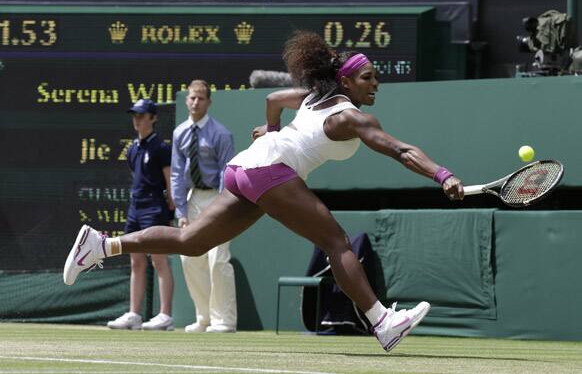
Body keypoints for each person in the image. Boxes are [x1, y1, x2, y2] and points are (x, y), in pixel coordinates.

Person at [64, 31, 464, 353]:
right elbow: (401, 149)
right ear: (345, 80)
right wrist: (441, 173)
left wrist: (271, 131)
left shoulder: (311, 98)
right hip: (268, 171)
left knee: (190, 241)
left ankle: (101, 246)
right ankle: (382, 321)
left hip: (245, 167)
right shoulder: (351, 116)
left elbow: (273, 100)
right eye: (367, 77)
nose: (375, 83)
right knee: (336, 241)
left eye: (376, 77)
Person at [171, 80, 237, 333]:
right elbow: (177, 174)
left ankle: (224, 321)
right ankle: (204, 317)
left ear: (209, 102)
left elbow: (226, 171)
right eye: (191, 98)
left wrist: (223, 207)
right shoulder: (179, 133)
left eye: (200, 98)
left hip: (218, 199)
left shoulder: (221, 133)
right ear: (186, 100)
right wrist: (181, 211)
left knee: (217, 260)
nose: (195, 102)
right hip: (193, 198)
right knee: (189, 258)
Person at [106, 99, 176, 331]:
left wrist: (171, 209)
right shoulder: (133, 149)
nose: (137, 120)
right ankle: (134, 314)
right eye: (134, 115)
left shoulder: (161, 148)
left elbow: (169, 182)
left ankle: (165, 315)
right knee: (135, 261)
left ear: (153, 118)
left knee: (158, 260)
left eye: (142, 115)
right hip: (135, 208)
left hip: (154, 208)